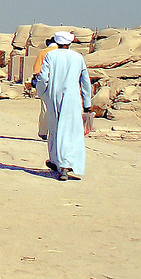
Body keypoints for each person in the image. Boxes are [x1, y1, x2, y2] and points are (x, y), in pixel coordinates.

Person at [35, 31, 92, 180]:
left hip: (54, 97)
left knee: (55, 130)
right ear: (70, 43)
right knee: (70, 131)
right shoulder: (78, 57)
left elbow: (42, 78)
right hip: (73, 99)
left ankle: (62, 164)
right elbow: (85, 81)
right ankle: (59, 162)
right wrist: (87, 103)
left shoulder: (51, 56)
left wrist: (42, 93)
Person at [29, 36, 59, 140]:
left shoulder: (43, 53)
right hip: (61, 84)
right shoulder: (63, 53)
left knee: (45, 109)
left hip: (47, 84)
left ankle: (44, 132)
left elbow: (37, 70)